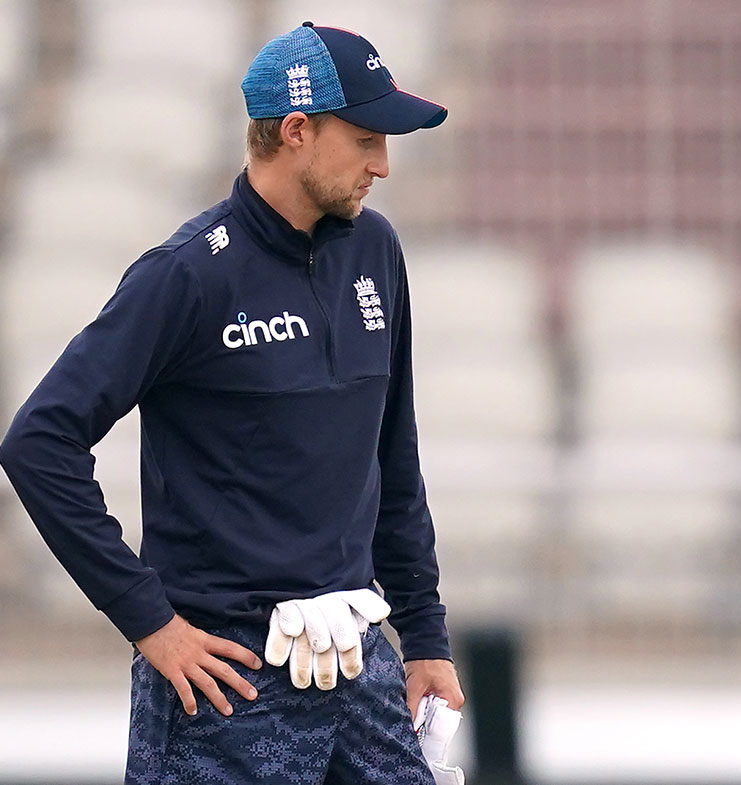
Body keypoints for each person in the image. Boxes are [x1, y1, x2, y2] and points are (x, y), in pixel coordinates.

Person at [0, 22, 465, 784]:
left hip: (359, 669)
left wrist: (425, 640)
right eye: (368, 138)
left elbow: (394, 458)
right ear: (296, 132)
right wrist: (152, 622)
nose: (384, 164)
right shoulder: (184, 276)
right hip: (222, 685)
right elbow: (38, 443)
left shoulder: (376, 251)